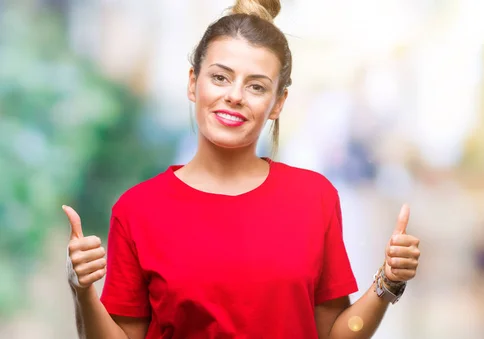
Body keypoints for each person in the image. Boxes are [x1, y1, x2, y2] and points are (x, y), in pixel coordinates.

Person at [63, 0, 421, 338]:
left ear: (278, 102)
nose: (235, 95)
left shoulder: (315, 198)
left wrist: (388, 283)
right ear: (193, 82)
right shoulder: (137, 210)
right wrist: (82, 291)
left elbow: (337, 333)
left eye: (256, 86)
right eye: (220, 77)